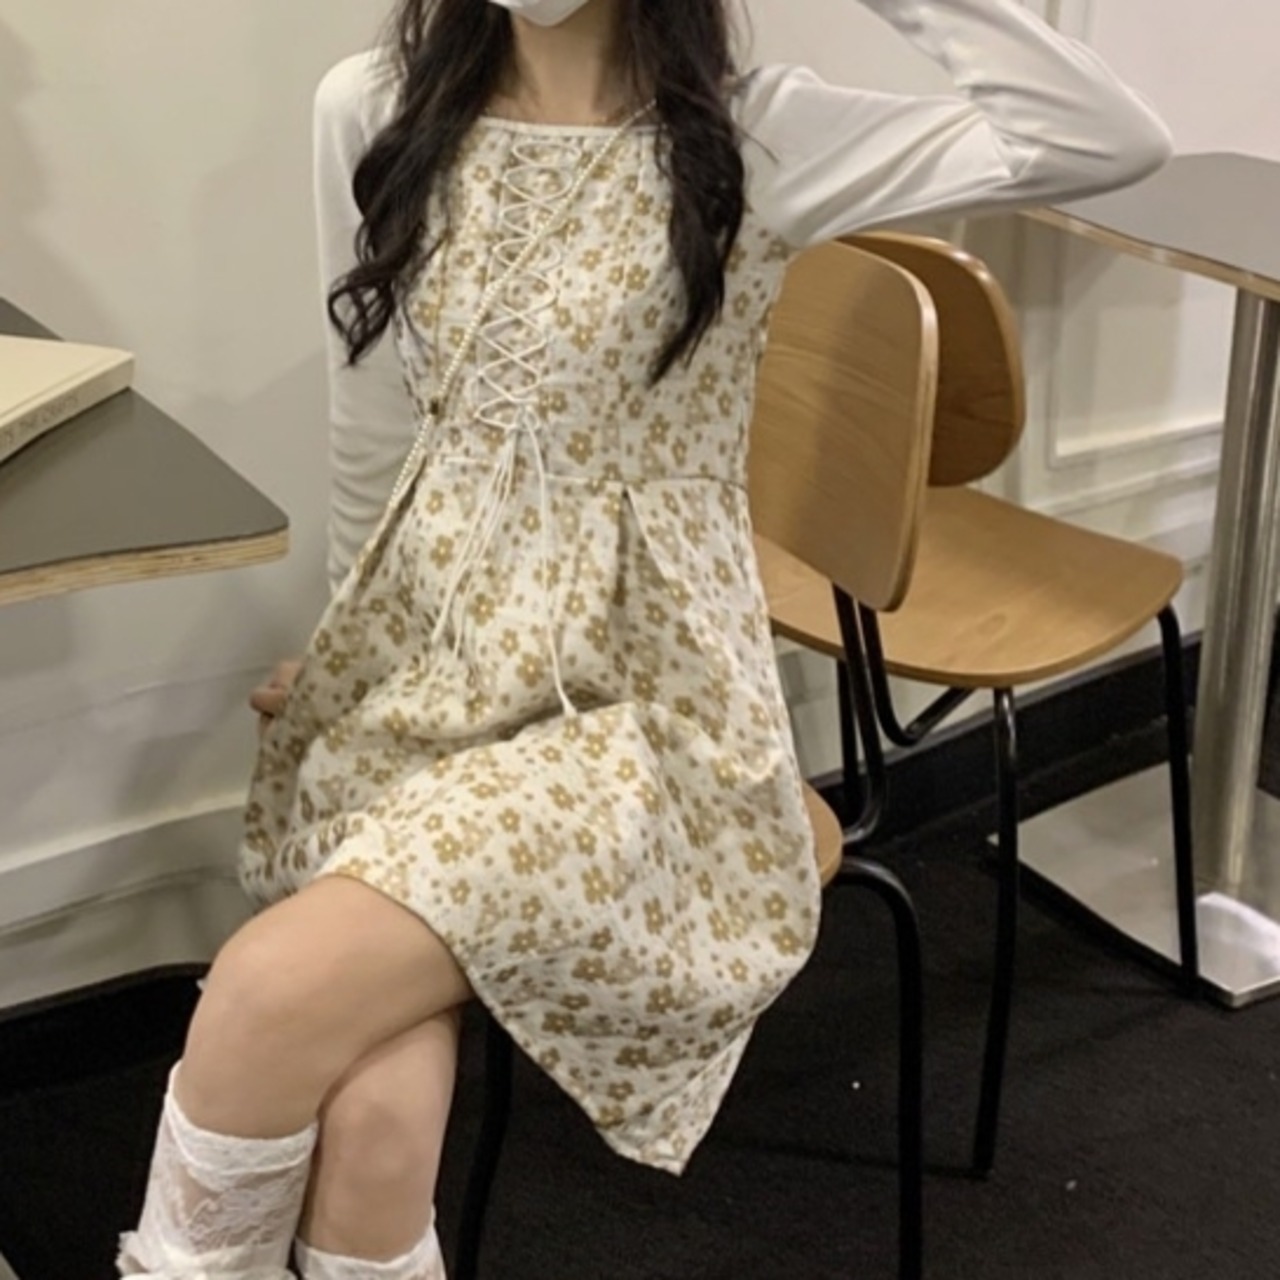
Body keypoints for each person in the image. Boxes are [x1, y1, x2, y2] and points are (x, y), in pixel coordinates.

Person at [117, 1, 1171, 1276]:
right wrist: (346, 639)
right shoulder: (375, 104)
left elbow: (1102, 136)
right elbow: (375, 416)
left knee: (263, 994)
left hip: (640, 711)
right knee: (378, 1124)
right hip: (429, 659)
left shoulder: (755, 134)